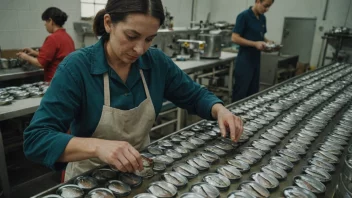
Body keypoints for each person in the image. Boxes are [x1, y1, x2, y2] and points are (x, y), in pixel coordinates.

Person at [23, 0, 244, 181]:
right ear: (109, 23)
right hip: (89, 177)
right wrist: (98, 147)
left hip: (141, 171)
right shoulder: (77, 68)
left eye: (149, 39)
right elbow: (37, 139)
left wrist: (220, 110)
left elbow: (194, 95)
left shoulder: (155, 63)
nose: (140, 49)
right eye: (131, 36)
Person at [17, 7, 75, 82]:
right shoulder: (68, 37)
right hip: (66, 80)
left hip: (54, 82)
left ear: (51, 21)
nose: (45, 25)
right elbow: (56, 56)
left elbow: (40, 63)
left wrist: (25, 56)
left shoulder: (52, 38)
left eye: (46, 22)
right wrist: (34, 52)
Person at [231, 0, 274, 102]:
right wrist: (255, 44)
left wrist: (268, 43)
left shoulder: (262, 18)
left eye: (269, 7)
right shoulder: (244, 16)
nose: (266, 9)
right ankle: (234, 116)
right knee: (240, 93)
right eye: (265, 6)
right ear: (258, 1)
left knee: (253, 93)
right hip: (244, 61)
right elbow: (235, 38)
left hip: (256, 61)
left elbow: (260, 36)